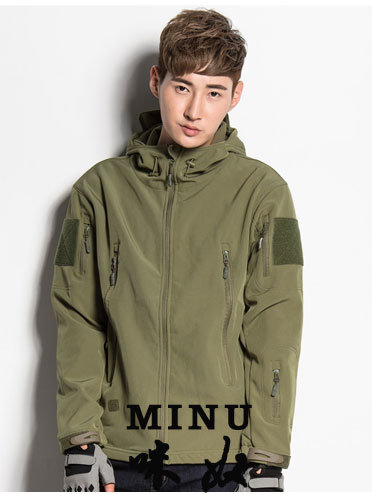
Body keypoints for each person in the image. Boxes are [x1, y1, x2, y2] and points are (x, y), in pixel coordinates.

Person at [50, 8, 304, 492]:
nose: (194, 111)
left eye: (214, 93)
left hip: (225, 458)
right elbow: (76, 317)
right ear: (156, 81)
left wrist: (268, 457)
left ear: (236, 95)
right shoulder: (97, 191)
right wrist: (80, 440)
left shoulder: (265, 193)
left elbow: (278, 327)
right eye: (182, 87)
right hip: (118, 454)